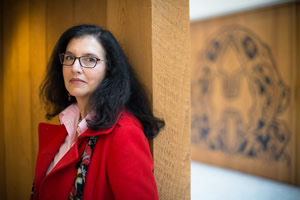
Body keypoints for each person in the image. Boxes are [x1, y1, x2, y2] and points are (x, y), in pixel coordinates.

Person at [31, 24, 164, 200]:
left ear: (109, 70)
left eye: (89, 59)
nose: (75, 68)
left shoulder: (124, 133)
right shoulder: (68, 124)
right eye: (70, 57)